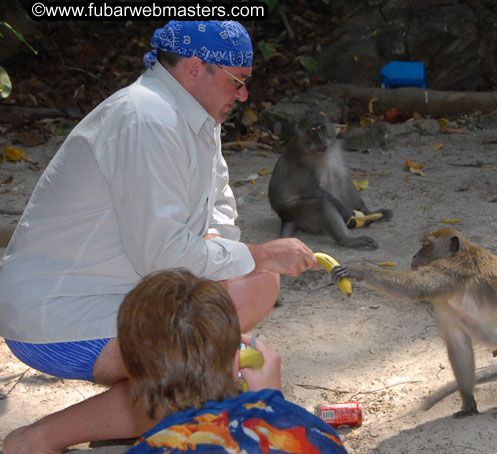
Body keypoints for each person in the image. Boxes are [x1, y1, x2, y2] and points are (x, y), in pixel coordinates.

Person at [0, 21, 317, 454]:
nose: (244, 95)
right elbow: (162, 254)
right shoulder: (146, 118)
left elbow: (218, 207)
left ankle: (135, 419)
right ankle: (35, 440)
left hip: (119, 289)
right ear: (193, 69)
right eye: (236, 81)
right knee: (211, 366)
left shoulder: (193, 114)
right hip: (59, 316)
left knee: (256, 284)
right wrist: (258, 252)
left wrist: (236, 254)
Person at [118, 268, 347, 454]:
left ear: (132, 371)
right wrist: (273, 406)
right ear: (238, 359)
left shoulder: (150, 448)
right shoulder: (314, 433)